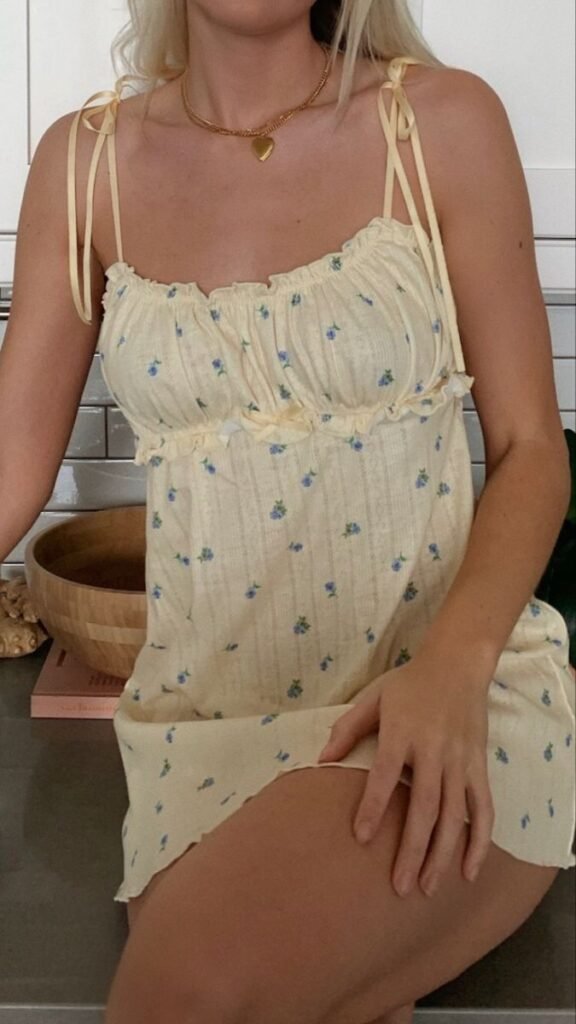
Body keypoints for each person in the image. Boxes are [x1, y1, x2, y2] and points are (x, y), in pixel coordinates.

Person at [2, 1, 574, 1021]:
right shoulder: (85, 165)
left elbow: (534, 449)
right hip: (199, 732)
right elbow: (9, 468)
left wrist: (451, 670)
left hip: (437, 695)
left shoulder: (438, 126)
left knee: (189, 995)